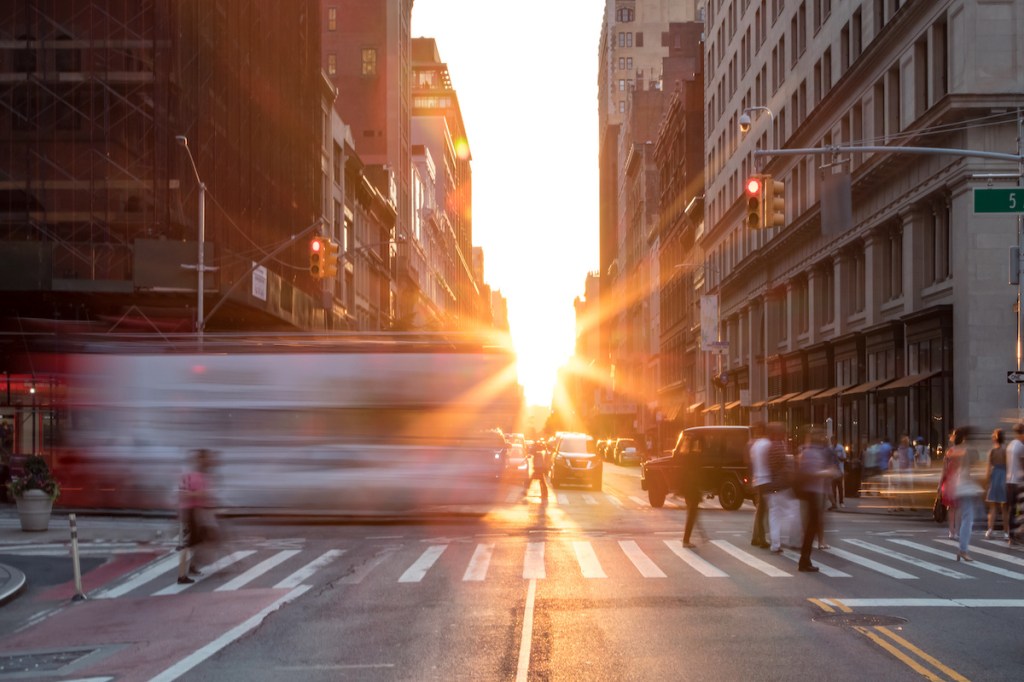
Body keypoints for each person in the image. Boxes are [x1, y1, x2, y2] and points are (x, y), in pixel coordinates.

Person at [795, 427, 836, 572]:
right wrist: (826, 472)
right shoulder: (810, 453)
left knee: (811, 528)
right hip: (811, 493)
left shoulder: (811, 452)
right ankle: (804, 560)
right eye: (820, 435)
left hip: (813, 492)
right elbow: (811, 473)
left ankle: (805, 559)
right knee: (811, 528)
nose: (822, 438)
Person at [177, 448, 216, 584]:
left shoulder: (189, 475)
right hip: (190, 512)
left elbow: (184, 493)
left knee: (196, 542)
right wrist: (197, 494)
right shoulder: (197, 476)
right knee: (186, 545)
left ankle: (192, 567)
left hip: (192, 512)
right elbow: (196, 494)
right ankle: (182, 576)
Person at [946, 427, 981, 561]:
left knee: (966, 516)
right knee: (968, 518)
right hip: (966, 485)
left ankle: (962, 548)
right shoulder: (969, 450)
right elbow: (972, 469)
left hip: (958, 483)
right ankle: (963, 549)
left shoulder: (956, 450)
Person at [765, 422, 795, 555]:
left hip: (771, 484)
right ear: (778, 434)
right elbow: (782, 465)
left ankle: (775, 544)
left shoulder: (769, 446)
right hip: (780, 485)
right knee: (791, 512)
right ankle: (790, 538)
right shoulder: (778, 447)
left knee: (774, 515)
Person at [748, 422, 771, 548]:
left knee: (760, 509)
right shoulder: (767, 444)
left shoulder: (755, 445)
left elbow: (751, 463)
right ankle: (761, 538)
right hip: (766, 480)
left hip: (758, 480)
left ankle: (755, 536)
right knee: (762, 510)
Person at [985, 428, 1008, 539]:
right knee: (1005, 507)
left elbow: (988, 469)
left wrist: (987, 482)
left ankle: (990, 530)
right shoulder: (1006, 450)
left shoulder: (992, 451)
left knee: (993, 507)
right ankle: (1006, 532)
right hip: (1004, 477)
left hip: (995, 477)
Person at [681, 435, 703, 548]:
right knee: (692, 514)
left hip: (687, 489)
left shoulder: (684, 456)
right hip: (692, 489)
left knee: (691, 513)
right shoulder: (694, 457)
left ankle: (688, 538)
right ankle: (686, 540)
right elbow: (697, 474)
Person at [1006, 423, 1024, 546]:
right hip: (1019, 481)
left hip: (1009, 481)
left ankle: (1011, 535)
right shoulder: (1021, 447)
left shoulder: (1010, 445)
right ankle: (1017, 533)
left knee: (1012, 509)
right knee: (1021, 509)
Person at [828, 437, 846, 510]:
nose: (833, 442)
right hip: (832, 471)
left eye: (834, 441)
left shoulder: (840, 448)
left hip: (839, 470)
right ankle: (834, 503)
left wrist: (837, 456)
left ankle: (841, 502)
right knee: (833, 488)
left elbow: (844, 458)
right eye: (831, 441)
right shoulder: (830, 448)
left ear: (836, 441)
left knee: (840, 487)